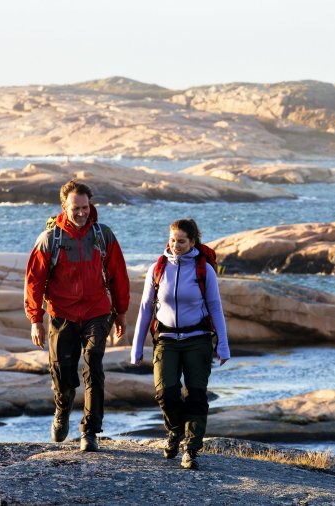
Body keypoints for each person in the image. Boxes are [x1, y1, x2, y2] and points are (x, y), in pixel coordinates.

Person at [24, 180, 130, 452]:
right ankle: (62, 409)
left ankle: (90, 431)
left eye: (85, 207)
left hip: (97, 312)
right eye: (76, 208)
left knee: (94, 363)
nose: (81, 212)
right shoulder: (50, 239)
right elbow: (34, 281)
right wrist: (35, 319)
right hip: (62, 314)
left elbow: (118, 275)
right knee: (63, 373)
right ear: (64, 206)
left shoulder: (102, 235)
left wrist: (121, 313)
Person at [131, 218, 230, 470]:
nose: (176, 245)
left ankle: (191, 450)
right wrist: (136, 347)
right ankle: (175, 431)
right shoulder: (158, 268)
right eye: (173, 240)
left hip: (197, 340)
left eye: (182, 241)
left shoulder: (204, 269)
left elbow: (215, 307)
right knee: (165, 393)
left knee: (196, 395)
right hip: (166, 339)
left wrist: (223, 344)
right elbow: (145, 308)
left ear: (193, 241)